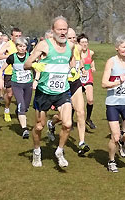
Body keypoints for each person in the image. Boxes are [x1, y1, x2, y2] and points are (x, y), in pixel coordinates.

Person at [24, 16, 75, 168]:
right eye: (59, 29)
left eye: (64, 29)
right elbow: (27, 63)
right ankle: (37, 151)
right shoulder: (44, 45)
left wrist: (72, 70)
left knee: (67, 124)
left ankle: (59, 151)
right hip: (44, 91)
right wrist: (35, 66)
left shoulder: (71, 46)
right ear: (53, 30)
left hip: (62, 91)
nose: (62, 32)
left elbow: (71, 60)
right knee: (39, 126)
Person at [47, 28, 90, 156]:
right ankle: (52, 123)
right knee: (63, 117)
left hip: (75, 83)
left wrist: (82, 69)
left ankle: (82, 142)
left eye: (74, 38)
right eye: (69, 38)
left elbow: (80, 61)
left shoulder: (76, 48)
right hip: (63, 85)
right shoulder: (59, 50)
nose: (72, 41)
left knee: (81, 112)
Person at [102, 35, 125, 172]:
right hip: (112, 104)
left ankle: (123, 141)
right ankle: (111, 160)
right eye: (123, 47)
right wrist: (118, 82)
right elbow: (104, 83)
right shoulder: (111, 62)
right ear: (117, 48)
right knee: (115, 136)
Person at [0, 37, 33, 139]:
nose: (22, 48)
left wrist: (36, 80)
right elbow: (1, 70)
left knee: (25, 107)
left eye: (24, 46)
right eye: (20, 46)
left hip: (28, 84)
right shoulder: (12, 57)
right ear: (16, 47)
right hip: (16, 84)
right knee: (21, 105)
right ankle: (24, 129)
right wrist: (1, 81)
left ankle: (19, 112)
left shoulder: (30, 56)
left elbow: (37, 68)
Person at [0, 28, 22, 122]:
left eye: (20, 36)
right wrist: (9, 57)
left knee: (21, 94)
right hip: (10, 72)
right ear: (12, 36)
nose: (18, 38)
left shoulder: (23, 44)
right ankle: (6, 110)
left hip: (21, 73)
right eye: (16, 36)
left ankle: (19, 110)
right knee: (10, 94)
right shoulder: (8, 45)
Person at [78, 33, 97, 129]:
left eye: (86, 42)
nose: (85, 44)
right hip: (77, 78)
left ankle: (88, 119)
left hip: (88, 78)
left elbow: (91, 61)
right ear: (78, 43)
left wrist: (93, 67)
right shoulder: (76, 53)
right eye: (82, 42)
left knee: (90, 100)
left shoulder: (91, 52)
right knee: (76, 103)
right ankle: (71, 119)